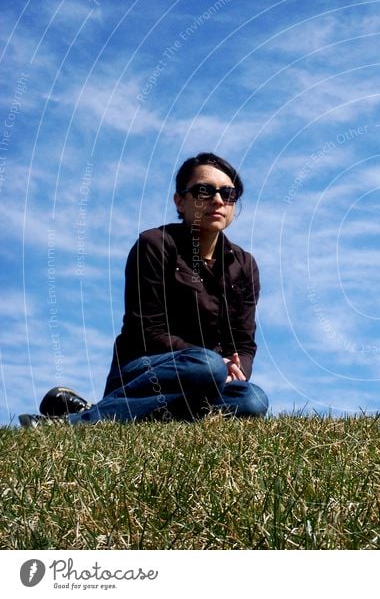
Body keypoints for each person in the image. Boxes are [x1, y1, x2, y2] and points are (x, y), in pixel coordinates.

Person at [19, 153, 269, 426]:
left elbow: (243, 343)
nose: (218, 200)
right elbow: (148, 332)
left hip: (211, 378)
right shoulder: (154, 245)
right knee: (205, 365)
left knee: (253, 400)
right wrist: (215, 363)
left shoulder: (244, 265)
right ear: (180, 201)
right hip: (145, 372)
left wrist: (236, 370)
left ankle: (117, 411)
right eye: (203, 191)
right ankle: (77, 423)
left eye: (228, 193)